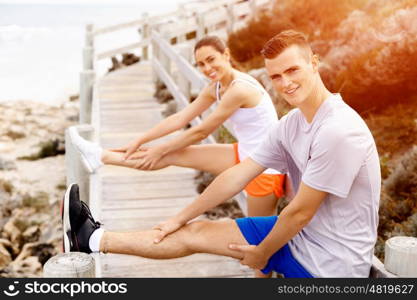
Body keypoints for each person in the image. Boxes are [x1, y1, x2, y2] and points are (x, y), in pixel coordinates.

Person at [63, 30, 381, 277]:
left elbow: (299, 212)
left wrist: (263, 252)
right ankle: (90, 239)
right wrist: (179, 217)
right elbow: (237, 174)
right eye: (275, 76)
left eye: (293, 70)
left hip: (330, 265)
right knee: (194, 231)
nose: (285, 83)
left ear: (314, 63)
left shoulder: (339, 130)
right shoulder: (292, 124)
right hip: (301, 237)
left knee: (255, 257)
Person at [69, 35, 285, 221]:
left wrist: (160, 148)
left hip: (265, 168)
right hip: (247, 153)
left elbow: (201, 131)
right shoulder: (216, 87)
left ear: (226, 55)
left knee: (260, 241)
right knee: (172, 155)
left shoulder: (240, 89)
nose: (207, 68)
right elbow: (181, 118)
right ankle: (99, 156)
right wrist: (141, 140)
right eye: (201, 64)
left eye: (211, 60)